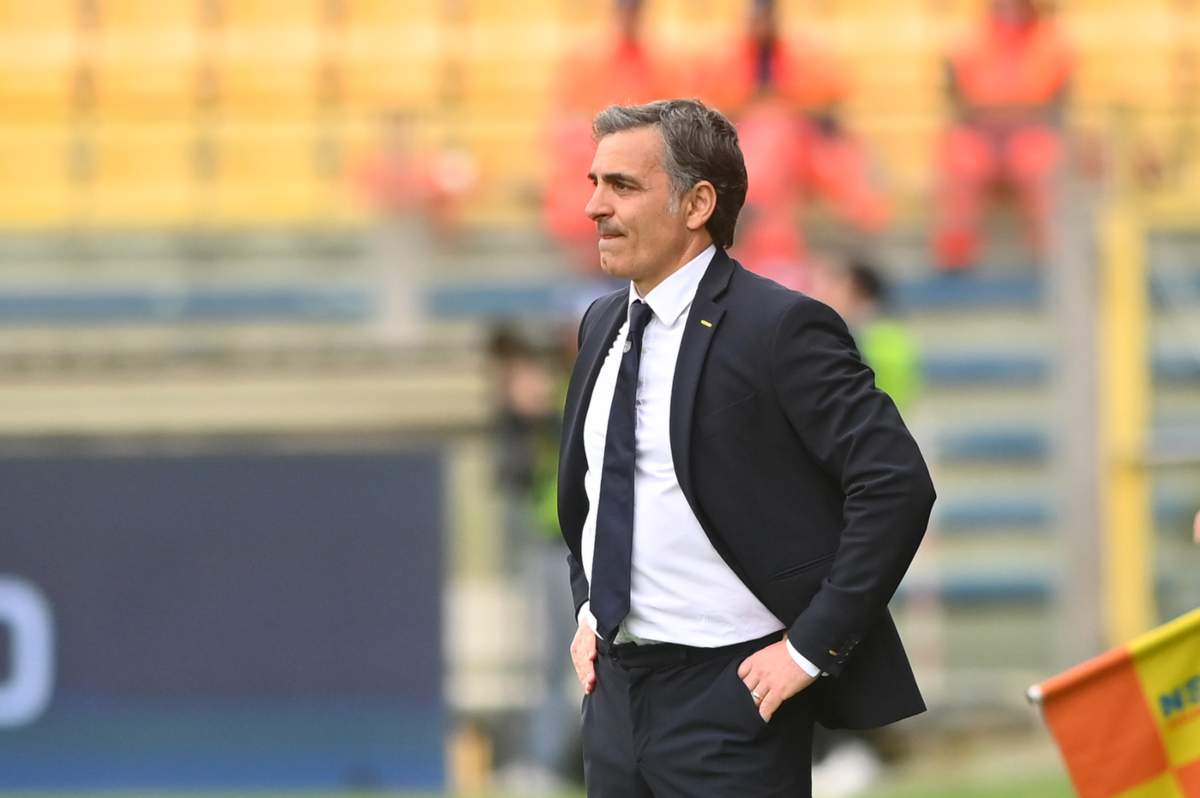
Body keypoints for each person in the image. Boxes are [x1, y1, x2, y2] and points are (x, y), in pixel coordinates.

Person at [556, 99, 935, 796]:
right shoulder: (601, 323)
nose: (594, 206)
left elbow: (895, 484)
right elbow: (594, 492)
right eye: (594, 183)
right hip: (614, 696)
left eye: (623, 186)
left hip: (731, 694)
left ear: (698, 203)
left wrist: (809, 648)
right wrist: (589, 611)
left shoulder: (780, 326)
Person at [933, 0, 1072, 270]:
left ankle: (1049, 258)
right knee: (961, 159)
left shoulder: (1051, 42)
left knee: (1042, 161)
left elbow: (1057, 106)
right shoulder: (970, 39)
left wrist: (1016, 119)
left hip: (1030, 133)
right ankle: (955, 260)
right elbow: (957, 101)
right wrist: (993, 121)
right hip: (981, 133)